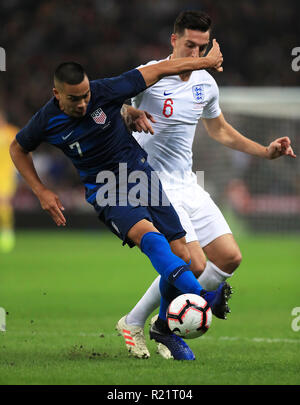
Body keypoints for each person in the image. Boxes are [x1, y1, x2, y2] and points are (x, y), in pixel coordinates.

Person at [9, 45, 231, 361]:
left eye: (86, 95)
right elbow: (18, 149)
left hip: (141, 176)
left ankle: (162, 331)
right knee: (154, 242)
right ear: (56, 94)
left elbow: (157, 70)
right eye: (75, 99)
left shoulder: (104, 91)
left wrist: (204, 63)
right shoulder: (46, 120)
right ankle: (201, 297)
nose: (84, 102)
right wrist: (41, 191)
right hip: (107, 190)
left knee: (184, 254)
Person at [117, 10, 296, 359]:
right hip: (155, 185)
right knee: (194, 264)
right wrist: (128, 111)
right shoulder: (151, 74)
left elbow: (220, 130)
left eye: (201, 47)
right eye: (188, 45)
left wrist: (265, 151)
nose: (194, 54)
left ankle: (163, 326)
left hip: (187, 182)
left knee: (229, 258)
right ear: (173, 40)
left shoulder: (205, 84)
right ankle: (134, 322)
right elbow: (112, 102)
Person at [0, 110, 19, 252]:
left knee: (3, 202)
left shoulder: (12, 132)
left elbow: (24, 149)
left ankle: (7, 232)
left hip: (6, 175)